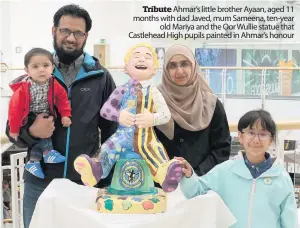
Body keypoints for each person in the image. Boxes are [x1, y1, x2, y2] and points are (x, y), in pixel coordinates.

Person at [5, 4, 117, 228]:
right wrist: (31, 133)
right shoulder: (35, 73)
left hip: (84, 184)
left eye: (78, 33)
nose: (71, 38)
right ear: (53, 31)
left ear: (86, 36)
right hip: (40, 183)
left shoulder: (100, 76)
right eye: (65, 30)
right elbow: (12, 129)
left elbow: (112, 130)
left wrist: (104, 177)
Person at [74, 43, 183, 192]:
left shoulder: (154, 92)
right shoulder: (122, 90)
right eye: (136, 56)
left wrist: (152, 119)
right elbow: (105, 110)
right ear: (126, 68)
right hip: (122, 137)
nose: (142, 60)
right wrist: (119, 115)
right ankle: (95, 169)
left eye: (147, 57)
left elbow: (166, 115)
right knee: (108, 148)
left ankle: (165, 174)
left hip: (147, 138)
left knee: (157, 151)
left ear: (154, 70)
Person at [179, 109, 297, 228]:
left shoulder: (281, 178)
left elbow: (290, 222)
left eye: (263, 134)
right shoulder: (226, 171)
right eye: (251, 133)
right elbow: (196, 191)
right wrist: (189, 176)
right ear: (240, 136)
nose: (256, 140)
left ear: (271, 140)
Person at [155, 44, 231, 176]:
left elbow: (221, 149)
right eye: (172, 66)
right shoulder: (154, 101)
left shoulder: (211, 104)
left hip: (202, 184)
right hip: (161, 185)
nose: (179, 71)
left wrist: (195, 175)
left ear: (193, 66)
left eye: (185, 64)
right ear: (166, 70)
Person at [8, 48, 72, 179]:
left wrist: (65, 115)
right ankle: (48, 153)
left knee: (42, 135)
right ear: (27, 70)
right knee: (43, 133)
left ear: (52, 67)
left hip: (46, 114)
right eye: (35, 66)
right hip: (29, 116)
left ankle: (33, 162)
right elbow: (14, 110)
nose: (41, 69)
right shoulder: (23, 88)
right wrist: (14, 129)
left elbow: (63, 99)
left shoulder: (53, 83)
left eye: (46, 65)